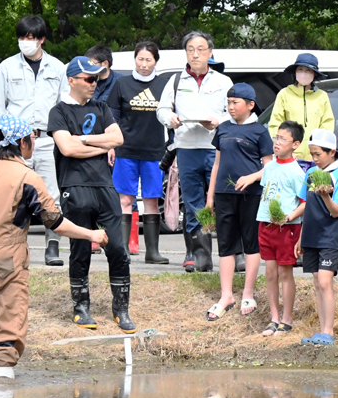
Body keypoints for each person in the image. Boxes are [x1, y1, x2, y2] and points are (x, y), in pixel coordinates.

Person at [0, 115, 108, 380]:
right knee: (5, 342)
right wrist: (91, 233)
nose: (34, 144)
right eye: (33, 139)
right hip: (6, 265)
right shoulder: (27, 177)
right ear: (23, 142)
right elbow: (55, 222)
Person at [47, 57, 134, 332]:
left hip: (105, 186)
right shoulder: (58, 111)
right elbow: (67, 149)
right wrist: (99, 143)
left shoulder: (102, 107)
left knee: (118, 248)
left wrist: (82, 139)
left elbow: (117, 139)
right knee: (80, 248)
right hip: (74, 186)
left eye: (97, 79)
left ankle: (121, 308)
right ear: (72, 80)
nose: (94, 84)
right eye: (88, 79)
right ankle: (81, 307)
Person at [0, 15, 69, 266]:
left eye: (31, 38)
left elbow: (64, 105)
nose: (25, 42)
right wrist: (4, 138)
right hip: (16, 142)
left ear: (41, 39)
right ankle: (9, 247)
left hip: (46, 139)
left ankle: (52, 247)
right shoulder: (6, 67)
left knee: (50, 194)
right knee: (10, 195)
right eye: (22, 37)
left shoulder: (57, 67)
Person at [156, 31, 233, 273]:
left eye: (201, 49)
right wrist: (171, 118)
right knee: (192, 202)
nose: (195, 54)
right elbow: (162, 109)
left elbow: (234, 113)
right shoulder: (176, 81)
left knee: (222, 199)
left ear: (211, 52)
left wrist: (218, 121)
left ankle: (232, 252)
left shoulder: (223, 81)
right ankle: (199, 254)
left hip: (214, 149)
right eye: (190, 49)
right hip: (186, 148)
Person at [204, 83, 273, 321]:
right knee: (226, 245)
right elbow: (216, 164)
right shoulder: (222, 129)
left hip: (251, 195)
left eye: (236, 103)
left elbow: (269, 167)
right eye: (229, 102)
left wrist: (252, 177)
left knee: (251, 243)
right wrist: (210, 195)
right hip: (224, 194)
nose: (231, 107)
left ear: (250, 105)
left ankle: (248, 293)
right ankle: (226, 296)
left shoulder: (260, 131)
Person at [107, 41, 171, 264]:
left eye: (149, 60)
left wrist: (172, 150)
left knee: (152, 200)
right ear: (135, 59)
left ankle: (152, 252)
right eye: (140, 59)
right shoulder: (121, 84)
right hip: (125, 151)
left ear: (156, 61)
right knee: (125, 199)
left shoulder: (165, 85)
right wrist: (111, 146)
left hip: (155, 152)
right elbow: (112, 117)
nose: (144, 64)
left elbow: (172, 120)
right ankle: (122, 249)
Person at [296, 129, 338, 344]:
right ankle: (321, 331)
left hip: (330, 236)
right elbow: (306, 205)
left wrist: (325, 194)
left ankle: (329, 332)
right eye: (312, 154)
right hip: (311, 234)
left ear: (332, 152)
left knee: (326, 281)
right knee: (317, 282)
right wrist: (300, 237)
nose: (314, 158)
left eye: (318, 154)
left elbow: (337, 211)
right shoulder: (310, 174)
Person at [256, 121, 307, 337]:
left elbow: (305, 203)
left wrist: (289, 217)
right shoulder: (268, 167)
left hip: (287, 229)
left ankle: (287, 319)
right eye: (276, 138)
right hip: (265, 224)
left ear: (295, 144)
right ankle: (273, 318)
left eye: (283, 139)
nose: (277, 143)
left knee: (285, 272)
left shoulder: (296, 172)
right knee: (269, 272)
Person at [268, 52, 334, 163]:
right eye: (300, 69)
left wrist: (317, 151)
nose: (304, 73)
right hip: (289, 157)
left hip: (314, 158)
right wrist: (286, 150)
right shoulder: (284, 94)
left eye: (308, 70)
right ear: (295, 72)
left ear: (314, 74)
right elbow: (275, 124)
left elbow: (327, 124)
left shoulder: (322, 96)